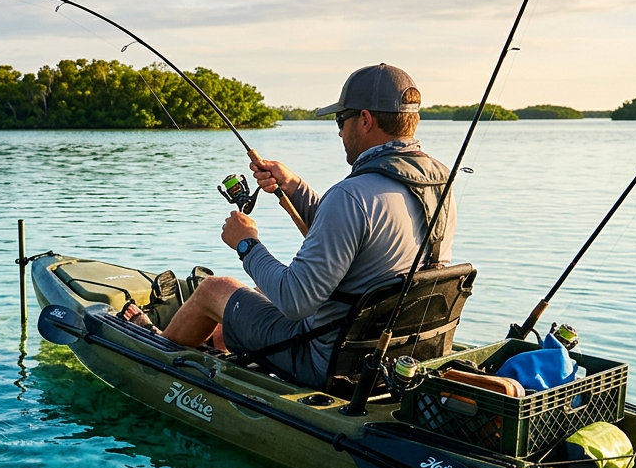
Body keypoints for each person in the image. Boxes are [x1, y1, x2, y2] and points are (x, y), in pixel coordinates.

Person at [125, 63, 456, 388]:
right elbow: (352, 242)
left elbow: (294, 302)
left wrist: (246, 244)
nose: (339, 130)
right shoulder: (440, 185)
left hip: (325, 360)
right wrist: (294, 186)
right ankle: (214, 341)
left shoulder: (351, 196)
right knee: (252, 294)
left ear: (365, 119)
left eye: (342, 120)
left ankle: (155, 349)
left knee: (215, 288)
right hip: (393, 356)